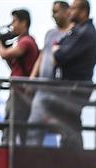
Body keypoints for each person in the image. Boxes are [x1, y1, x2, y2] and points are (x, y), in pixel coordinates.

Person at [50, 0, 96, 149]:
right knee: (68, 126)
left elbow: (61, 55)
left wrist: (57, 51)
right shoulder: (78, 30)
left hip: (76, 88)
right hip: (69, 88)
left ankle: (75, 160)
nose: (70, 11)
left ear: (83, 12)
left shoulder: (86, 32)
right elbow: (59, 45)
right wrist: (57, 50)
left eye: (74, 8)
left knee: (71, 127)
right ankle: (71, 158)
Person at [26, 0, 70, 146]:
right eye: (52, 12)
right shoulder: (50, 34)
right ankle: (31, 155)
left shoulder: (73, 34)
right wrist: (32, 78)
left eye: (56, 12)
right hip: (43, 87)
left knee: (64, 126)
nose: (53, 16)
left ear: (66, 12)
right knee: (34, 124)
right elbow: (41, 56)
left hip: (61, 89)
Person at [0, 9, 39, 144]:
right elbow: (14, 66)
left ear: (24, 23)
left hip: (21, 93)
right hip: (19, 91)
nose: (12, 25)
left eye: (15, 21)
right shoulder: (25, 41)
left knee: (12, 126)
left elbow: (5, 54)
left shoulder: (26, 41)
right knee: (17, 128)